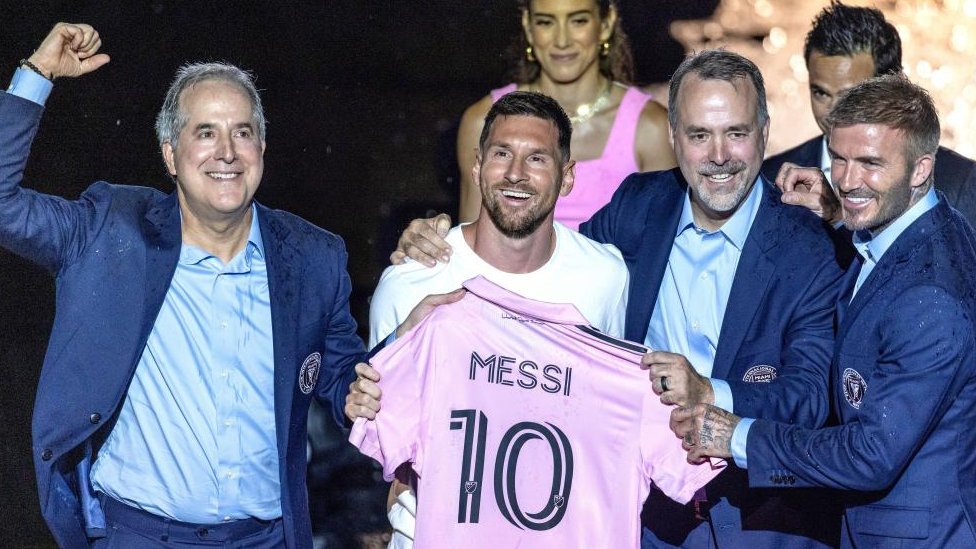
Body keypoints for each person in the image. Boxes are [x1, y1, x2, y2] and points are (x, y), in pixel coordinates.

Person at [384, 49, 846, 548]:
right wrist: (450, 244)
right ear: (672, 137)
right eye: (698, 135)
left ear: (763, 132)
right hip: (651, 521)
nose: (718, 155)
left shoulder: (812, 243)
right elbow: (539, 258)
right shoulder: (639, 205)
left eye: (735, 133)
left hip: (763, 519)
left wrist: (710, 394)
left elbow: (812, 397)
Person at [1, 23, 367, 548]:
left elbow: (340, 375)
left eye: (242, 132)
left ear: (261, 147)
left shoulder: (312, 258)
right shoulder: (110, 231)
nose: (227, 152)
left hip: (264, 538)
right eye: (205, 132)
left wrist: (360, 389)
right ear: (171, 155)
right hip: (140, 536)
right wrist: (37, 76)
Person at [675, 74, 976, 548]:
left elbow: (872, 453)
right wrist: (841, 215)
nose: (849, 180)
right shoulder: (919, 230)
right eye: (839, 158)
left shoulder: (931, 299)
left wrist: (738, 437)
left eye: (870, 163)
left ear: (920, 170)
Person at [370, 90, 629, 547]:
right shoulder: (409, 284)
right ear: (476, 165)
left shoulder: (604, 279)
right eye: (502, 154)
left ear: (568, 177)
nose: (515, 174)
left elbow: (602, 426)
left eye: (537, 159)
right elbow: (382, 439)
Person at [456, 0, 676, 230]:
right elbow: (470, 249)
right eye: (545, 22)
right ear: (528, 27)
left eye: (578, 20)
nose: (562, 40)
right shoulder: (483, 121)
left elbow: (661, 248)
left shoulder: (650, 127)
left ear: (605, 24)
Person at [762, 0, 976, 225]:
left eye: (851, 97)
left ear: (894, 86)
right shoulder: (770, 178)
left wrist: (840, 220)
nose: (834, 113)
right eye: (821, 93)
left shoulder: (961, 184)